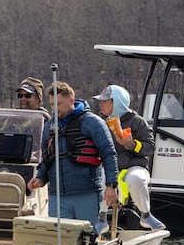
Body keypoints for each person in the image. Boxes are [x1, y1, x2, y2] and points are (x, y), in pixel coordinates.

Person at [26, 83, 119, 237]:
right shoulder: (50, 126)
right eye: (52, 104)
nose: (55, 109)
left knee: (87, 237)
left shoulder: (93, 122)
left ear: (71, 100)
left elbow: (109, 154)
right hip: (57, 196)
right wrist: (41, 178)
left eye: (59, 104)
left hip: (86, 192)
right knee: (59, 239)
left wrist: (111, 185)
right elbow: (47, 157)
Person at [92, 84, 154, 217]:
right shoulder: (100, 124)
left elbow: (150, 147)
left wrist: (131, 145)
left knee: (135, 179)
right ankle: (100, 219)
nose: (101, 105)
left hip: (134, 166)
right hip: (110, 168)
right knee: (98, 179)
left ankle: (146, 215)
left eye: (105, 101)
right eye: (100, 101)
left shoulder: (138, 122)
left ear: (118, 102)